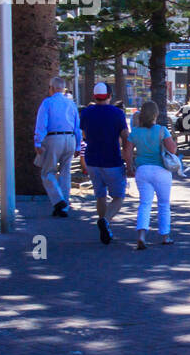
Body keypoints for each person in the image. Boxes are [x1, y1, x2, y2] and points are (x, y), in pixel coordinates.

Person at [79, 83, 135, 244]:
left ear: (94, 96)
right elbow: (125, 138)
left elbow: (84, 134)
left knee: (100, 195)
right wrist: (129, 163)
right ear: (109, 95)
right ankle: (106, 221)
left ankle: (105, 227)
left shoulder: (87, 112)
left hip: (91, 159)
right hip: (112, 159)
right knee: (118, 196)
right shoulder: (117, 113)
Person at [128, 100, 177, 250]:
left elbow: (128, 150)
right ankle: (165, 235)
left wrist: (130, 165)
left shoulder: (135, 132)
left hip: (142, 170)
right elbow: (173, 150)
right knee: (163, 204)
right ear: (156, 114)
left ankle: (142, 236)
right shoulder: (162, 130)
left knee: (145, 203)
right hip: (161, 170)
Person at [34, 76, 82, 217]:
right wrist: (78, 145)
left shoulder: (47, 103)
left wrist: (38, 142)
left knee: (47, 172)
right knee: (65, 173)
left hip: (54, 138)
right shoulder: (71, 104)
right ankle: (63, 207)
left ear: (52, 88)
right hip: (70, 139)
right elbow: (77, 126)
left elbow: (41, 124)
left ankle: (58, 200)